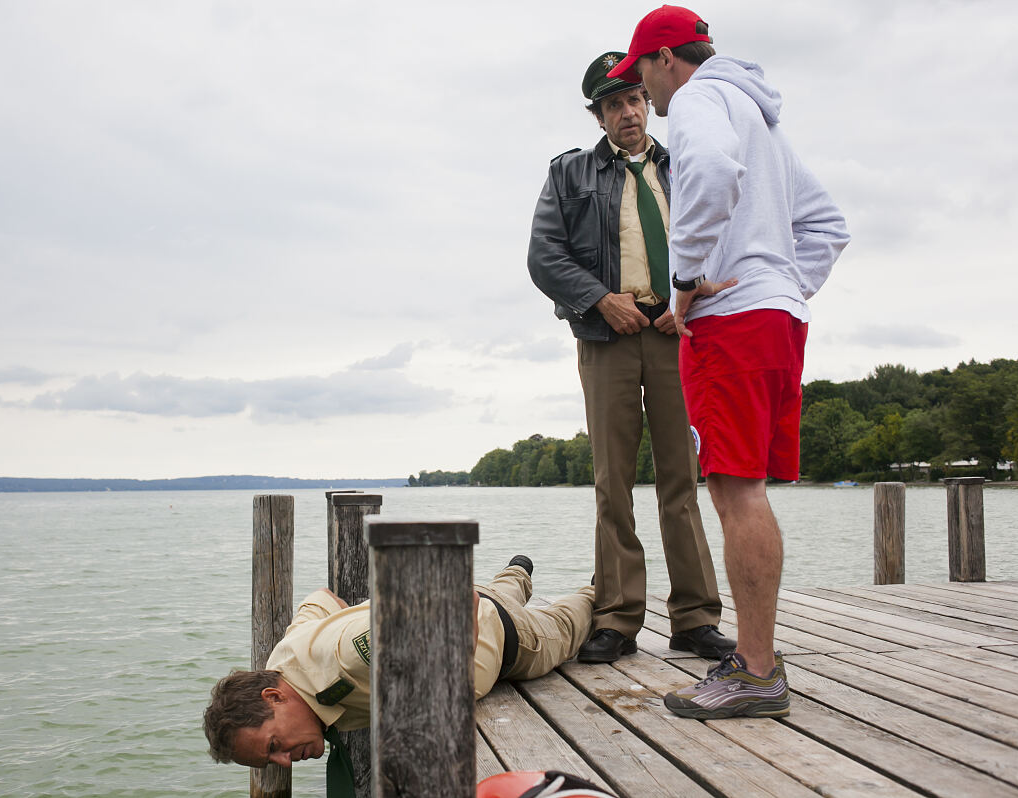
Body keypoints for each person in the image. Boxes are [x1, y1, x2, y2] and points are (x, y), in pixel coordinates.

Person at [606, 5, 850, 717]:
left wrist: (685, 283)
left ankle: (754, 671)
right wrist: (782, 281)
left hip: (731, 322)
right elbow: (827, 225)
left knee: (733, 489)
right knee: (745, 487)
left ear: (664, 61)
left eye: (641, 77)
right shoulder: (759, 115)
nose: (644, 96)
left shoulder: (703, 100)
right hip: (777, 317)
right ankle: (756, 662)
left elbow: (708, 170)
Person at [527, 51, 735, 664]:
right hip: (606, 338)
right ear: (598, 117)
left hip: (677, 334)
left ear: (648, 102)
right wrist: (598, 299)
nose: (628, 112)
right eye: (613, 104)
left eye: (635, 99)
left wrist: (689, 297)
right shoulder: (569, 175)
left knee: (683, 479)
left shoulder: (685, 165)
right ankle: (617, 618)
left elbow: (721, 238)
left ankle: (696, 619)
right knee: (612, 481)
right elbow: (545, 256)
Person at [203, 556, 593, 769]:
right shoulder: (283, 659)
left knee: (573, 618)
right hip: (481, 596)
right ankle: (518, 572)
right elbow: (318, 599)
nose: (284, 763)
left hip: (512, 639)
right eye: (271, 761)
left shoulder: (351, 660)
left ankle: (593, 589)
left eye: (274, 745)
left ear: (273, 697)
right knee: (500, 588)